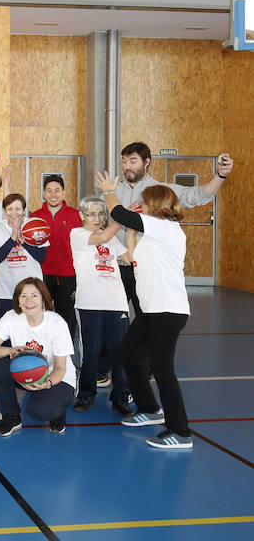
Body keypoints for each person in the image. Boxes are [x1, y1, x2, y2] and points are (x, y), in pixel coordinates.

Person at [97, 173, 195, 449]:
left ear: (157, 204)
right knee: (128, 353)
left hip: (168, 311)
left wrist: (110, 191)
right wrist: (130, 234)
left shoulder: (167, 228)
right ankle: (150, 408)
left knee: (164, 369)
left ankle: (181, 432)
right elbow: (131, 256)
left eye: (145, 200)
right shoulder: (153, 236)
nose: (141, 202)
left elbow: (118, 212)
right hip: (152, 312)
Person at [114, 142, 234, 316]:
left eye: (133, 161)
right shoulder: (112, 191)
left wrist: (220, 175)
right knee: (115, 321)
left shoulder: (161, 191)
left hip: (145, 269)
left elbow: (199, 196)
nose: (127, 166)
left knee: (147, 320)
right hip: (115, 267)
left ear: (146, 162)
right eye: (124, 161)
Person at [0, 278, 77, 436]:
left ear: (43, 299)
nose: (29, 300)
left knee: (40, 411)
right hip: (26, 372)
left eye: (34, 295)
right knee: (0, 367)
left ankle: (58, 409)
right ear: (18, 301)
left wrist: (47, 383)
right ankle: (12, 416)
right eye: (23, 296)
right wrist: (10, 350)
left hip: (56, 377)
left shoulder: (56, 323)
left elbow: (61, 367)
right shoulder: (11, 317)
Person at [69, 195, 132, 415]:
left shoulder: (113, 239)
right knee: (91, 351)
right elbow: (104, 235)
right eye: (92, 214)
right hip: (89, 303)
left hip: (116, 302)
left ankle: (121, 397)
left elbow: (130, 258)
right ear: (82, 215)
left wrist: (131, 229)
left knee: (120, 351)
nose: (97, 218)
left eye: (101, 213)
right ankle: (86, 394)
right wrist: (122, 218)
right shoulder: (77, 234)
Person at [30, 174, 82, 345]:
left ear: (64, 193)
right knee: (39, 316)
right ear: (44, 193)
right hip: (41, 274)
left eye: (57, 190)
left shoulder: (76, 216)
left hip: (68, 275)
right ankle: (41, 353)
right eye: (49, 190)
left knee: (66, 319)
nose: (53, 194)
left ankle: (65, 356)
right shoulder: (35, 216)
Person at [0, 193, 46, 318]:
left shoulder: (35, 225)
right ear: (4, 211)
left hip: (32, 292)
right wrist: (13, 238)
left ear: (24, 210)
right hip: (5, 292)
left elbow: (41, 257)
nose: (14, 212)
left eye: (18, 209)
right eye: (10, 209)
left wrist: (23, 241)